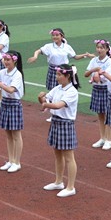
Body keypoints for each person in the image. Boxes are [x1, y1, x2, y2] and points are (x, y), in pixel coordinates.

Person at [39, 64, 80, 197]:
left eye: (59, 75)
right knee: (57, 154)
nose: (56, 77)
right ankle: (58, 181)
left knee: (69, 157)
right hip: (56, 122)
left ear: (67, 76)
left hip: (66, 124)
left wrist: (45, 104)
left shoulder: (72, 92)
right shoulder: (57, 88)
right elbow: (47, 99)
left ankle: (71, 187)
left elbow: (58, 105)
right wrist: (41, 98)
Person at [0, 51, 25, 173]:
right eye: (5, 59)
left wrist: (0, 84)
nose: (6, 62)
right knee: (8, 134)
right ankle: (11, 160)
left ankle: (17, 162)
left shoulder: (17, 75)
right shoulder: (3, 72)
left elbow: (11, 89)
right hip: (6, 103)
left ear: (14, 61)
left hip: (14, 104)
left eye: (8, 60)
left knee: (16, 135)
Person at [84, 39, 111, 150]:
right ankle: (102, 138)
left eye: (102, 48)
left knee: (107, 115)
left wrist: (98, 75)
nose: (99, 50)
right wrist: (94, 70)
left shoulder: (109, 61)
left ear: (106, 49)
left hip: (106, 89)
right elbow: (86, 74)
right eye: (98, 47)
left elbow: (108, 76)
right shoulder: (94, 60)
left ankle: (109, 140)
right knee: (100, 115)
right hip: (96, 88)